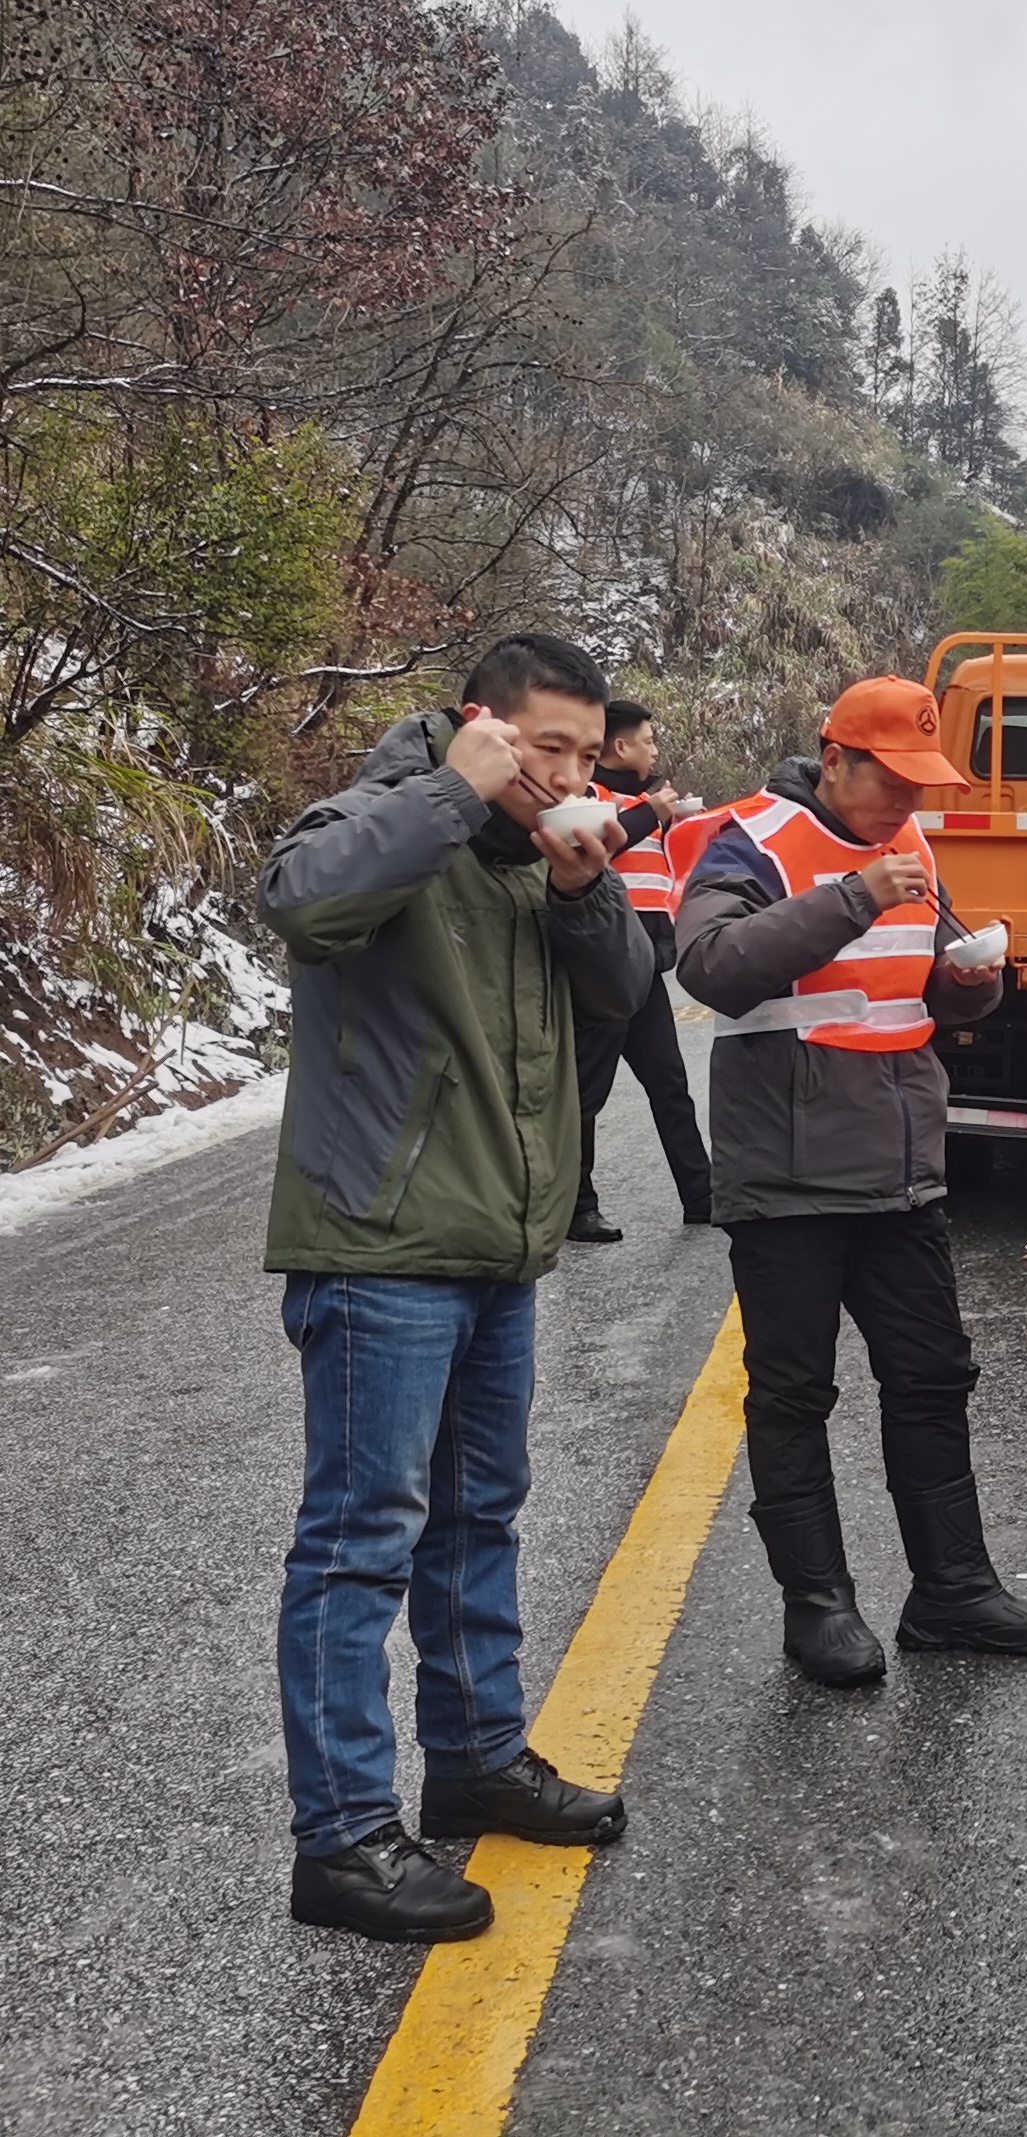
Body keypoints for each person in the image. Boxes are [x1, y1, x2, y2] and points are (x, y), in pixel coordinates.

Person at [261, 631, 651, 1943]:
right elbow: (302, 900)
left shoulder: (539, 862)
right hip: (381, 1250)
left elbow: (627, 998)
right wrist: (452, 794)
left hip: (500, 1250)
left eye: (586, 756)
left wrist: (588, 885)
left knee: (481, 1516)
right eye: (547, 749)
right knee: (359, 1541)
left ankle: (477, 1754)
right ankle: (345, 1839)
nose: (568, 774)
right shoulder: (385, 814)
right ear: (480, 726)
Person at [677, 676, 1027, 1689]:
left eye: (918, 786)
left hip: (901, 1172)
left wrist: (968, 979)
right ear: (834, 756)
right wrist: (851, 896)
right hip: (788, 1176)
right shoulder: (749, 840)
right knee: (794, 1393)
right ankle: (819, 1608)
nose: (904, 805)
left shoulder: (912, 851)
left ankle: (952, 1589)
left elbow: (924, 978)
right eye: (887, 781)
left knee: (934, 1378)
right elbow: (713, 965)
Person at [567, 698, 715, 1241]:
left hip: (646, 969)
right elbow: (600, 842)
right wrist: (653, 811)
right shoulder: (590, 793)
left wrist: (677, 821)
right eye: (648, 740)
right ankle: (577, 1207)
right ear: (622, 746)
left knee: (671, 1085)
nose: (655, 749)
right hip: (602, 969)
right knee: (586, 1093)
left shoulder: (643, 805)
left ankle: (701, 1197)